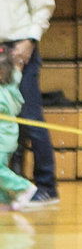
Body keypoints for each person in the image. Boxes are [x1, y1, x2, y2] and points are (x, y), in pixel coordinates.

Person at [0, 0, 55, 208]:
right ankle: (10, 187)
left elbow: (43, 5)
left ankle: (46, 185)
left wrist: (30, 40)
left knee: (31, 117)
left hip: (19, 48)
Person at [0, 43, 45, 209]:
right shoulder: (11, 87)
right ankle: (3, 200)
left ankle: (24, 187)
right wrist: (17, 66)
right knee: (1, 168)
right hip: (9, 137)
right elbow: (17, 74)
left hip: (2, 139)